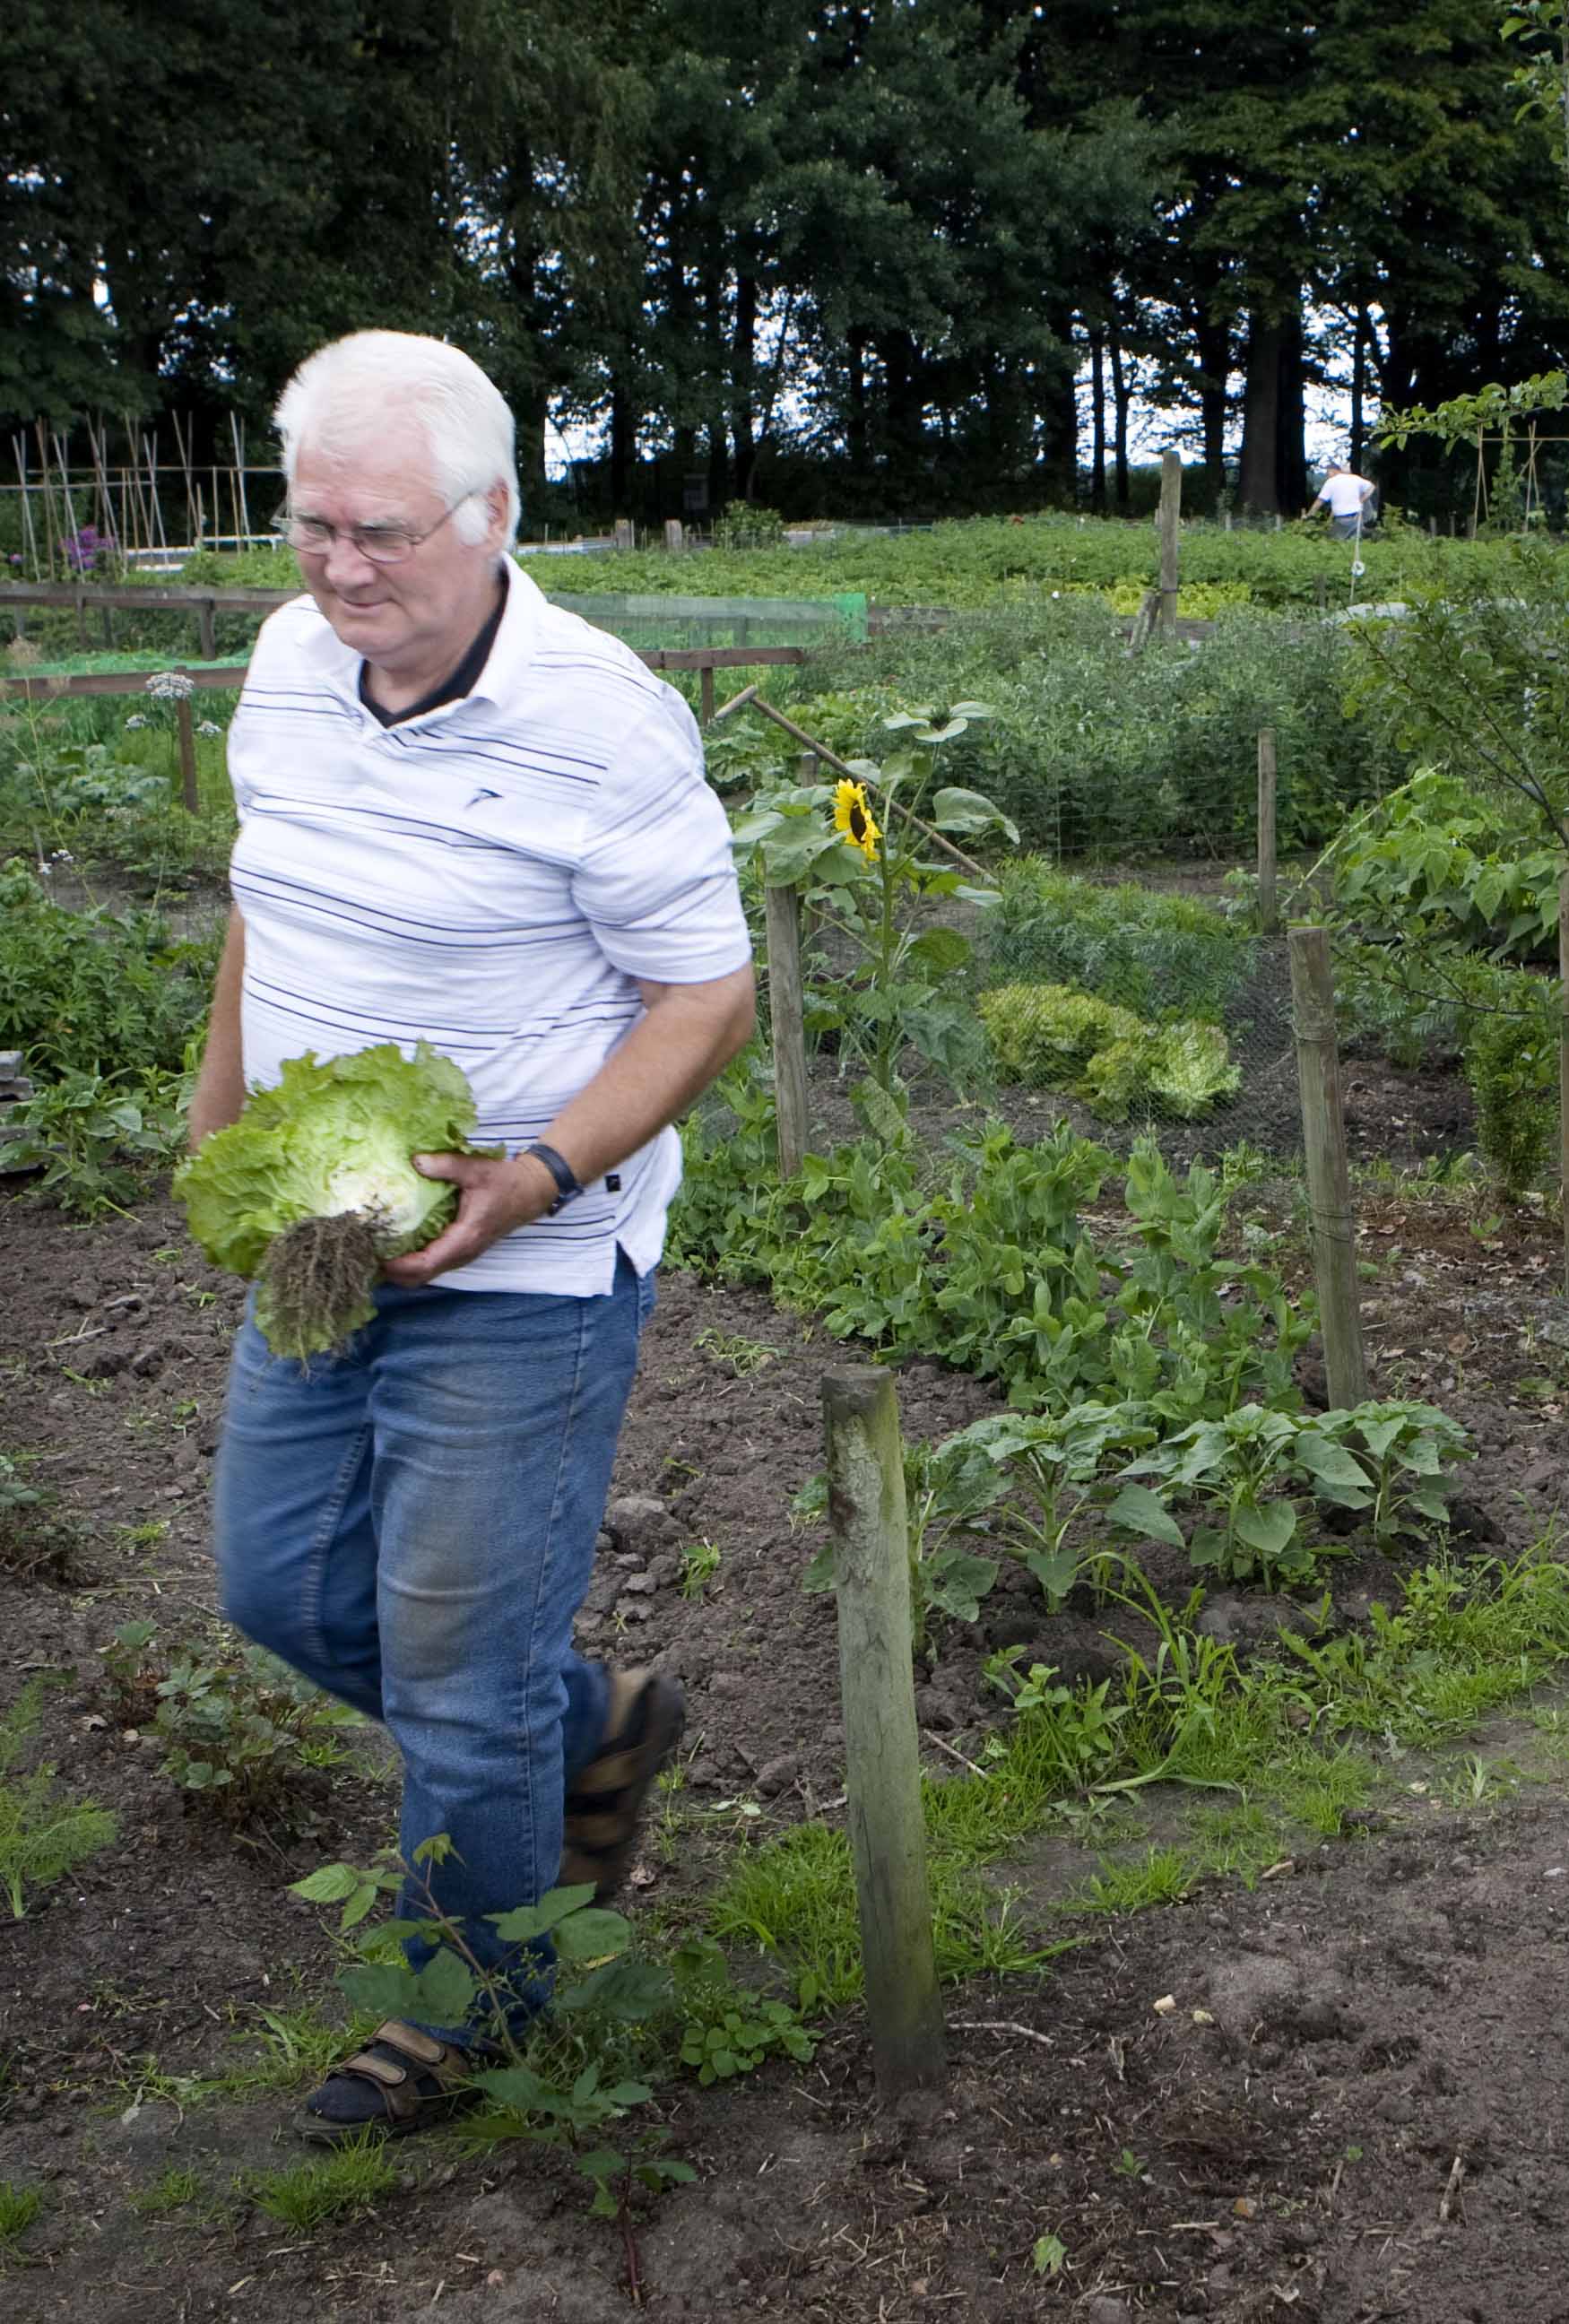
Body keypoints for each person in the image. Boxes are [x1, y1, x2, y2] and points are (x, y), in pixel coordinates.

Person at [185, 331, 758, 2141]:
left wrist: (539, 1173)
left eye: (386, 532)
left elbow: (706, 993)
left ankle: (478, 1997)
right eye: (312, 527)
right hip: (320, 1228)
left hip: (522, 1259)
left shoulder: (600, 718)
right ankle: (578, 1723)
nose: (344, 568)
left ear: (496, 515)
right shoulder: (288, 663)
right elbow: (260, 901)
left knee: (448, 1656)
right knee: (276, 1585)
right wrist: (220, 1112)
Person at [1307, 457, 1378, 540]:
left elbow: (1319, 502)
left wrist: (1309, 515)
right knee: (1354, 540)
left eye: (1327, 472)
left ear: (1332, 471)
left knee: (1332, 540)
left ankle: (1368, 534)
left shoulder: (1331, 482)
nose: (1327, 475)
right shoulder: (1354, 478)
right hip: (1357, 518)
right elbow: (1372, 487)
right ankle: (1367, 534)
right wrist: (1361, 499)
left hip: (1343, 520)